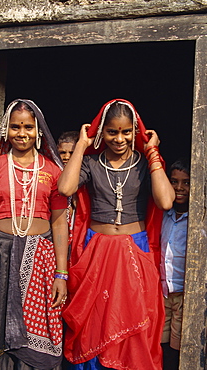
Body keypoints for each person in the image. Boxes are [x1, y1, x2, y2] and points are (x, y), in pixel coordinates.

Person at [58, 99, 175, 370]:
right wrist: (81, 145)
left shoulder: (144, 164)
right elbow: (65, 188)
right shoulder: (91, 164)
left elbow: (166, 201)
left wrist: (153, 153)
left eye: (126, 132)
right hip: (96, 253)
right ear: (102, 132)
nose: (119, 139)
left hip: (135, 250)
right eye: (112, 131)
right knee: (94, 324)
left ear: (135, 131)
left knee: (134, 323)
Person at [0, 99, 69, 370]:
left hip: (42, 260)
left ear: (38, 130)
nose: (22, 133)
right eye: (15, 127)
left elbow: (60, 223)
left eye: (28, 126)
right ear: (6, 130)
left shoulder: (52, 171)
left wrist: (62, 274)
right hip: (1, 256)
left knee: (41, 327)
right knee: (1, 327)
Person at [160, 157, 190, 370]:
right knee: (159, 343)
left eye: (186, 182)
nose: (179, 188)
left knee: (179, 347)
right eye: (174, 181)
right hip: (162, 294)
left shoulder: (196, 219)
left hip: (184, 295)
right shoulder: (163, 215)